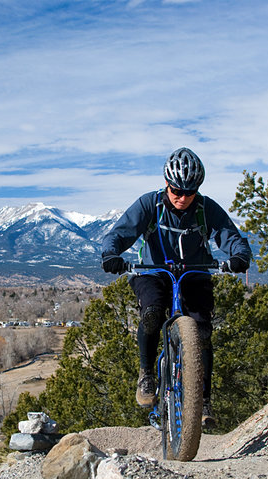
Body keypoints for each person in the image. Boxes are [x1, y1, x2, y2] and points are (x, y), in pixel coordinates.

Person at [100, 147, 252, 427]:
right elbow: (120, 234)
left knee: (202, 330)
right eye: (177, 191)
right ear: (166, 185)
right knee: (152, 313)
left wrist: (239, 255)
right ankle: (147, 374)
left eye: (189, 192)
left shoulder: (207, 209)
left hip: (195, 274)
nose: (183, 198)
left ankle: (202, 399)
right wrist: (111, 255)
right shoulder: (150, 205)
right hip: (152, 272)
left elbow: (230, 236)